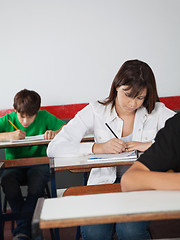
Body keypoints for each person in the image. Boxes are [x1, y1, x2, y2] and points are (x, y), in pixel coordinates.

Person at [47, 59, 175, 240]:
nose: (132, 104)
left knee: (130, 231)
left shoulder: (157, 111)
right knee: (94, 233)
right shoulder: (96, 110)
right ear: (116, 86)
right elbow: (54, 148)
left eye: (140, 98)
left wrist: (151, 144)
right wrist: (97, 147)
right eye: (127, 94)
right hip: (102, 184)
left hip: (141, 184)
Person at [0, 89, 65, 240]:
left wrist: (55, 132)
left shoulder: (44, 116)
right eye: (21, 116)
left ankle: (23, 230)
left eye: (30, 117)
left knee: (37, 183)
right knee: (7, 180)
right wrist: (7, 135)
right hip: (13, 166)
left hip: (39, 164)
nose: (25, 122)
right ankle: (30, 228)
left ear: (37, 112)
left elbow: (65, 128)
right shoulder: (7, 119)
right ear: (15, 110)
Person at [121, 112, 180, 192]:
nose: (132, 104)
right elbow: (129, 180)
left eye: (140, 98)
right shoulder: (176, 125)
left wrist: (149, 144)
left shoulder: (160, 110)